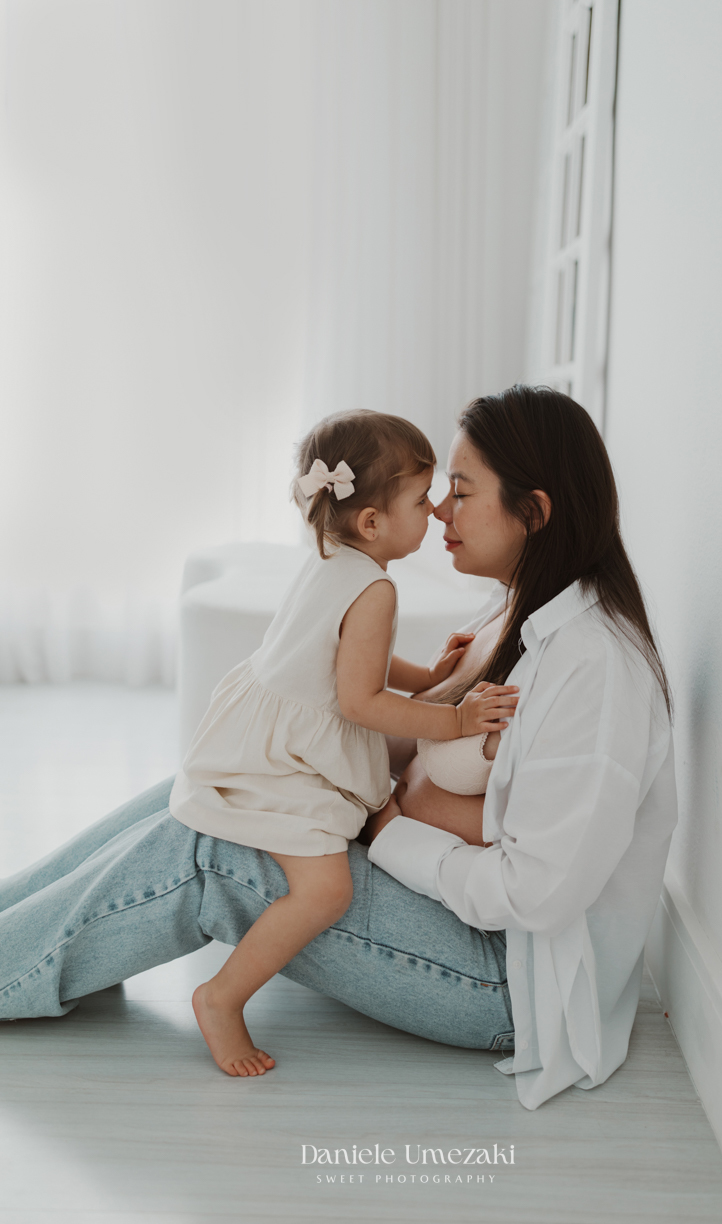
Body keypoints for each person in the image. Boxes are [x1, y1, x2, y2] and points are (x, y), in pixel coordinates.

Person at [0, 385, 677, 1113]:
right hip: (429, 886)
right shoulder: (520, 608)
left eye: (461, 489)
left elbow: (536, 891)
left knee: (215, 849)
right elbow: (401, 727)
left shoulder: (595, 671)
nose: (442, 509)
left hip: (501, 979)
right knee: (210, 796)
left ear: (534, 512)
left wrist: (388, 830)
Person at [169, 409, 519, 1075]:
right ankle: (222, 995)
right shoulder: (376, 588)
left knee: (333, 868)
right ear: (372, 522)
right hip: (284, 763)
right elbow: (360, 699)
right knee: (326, 892)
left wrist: (429, 676)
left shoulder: (333, 560)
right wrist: (456, 720)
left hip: (264, 727)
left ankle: (225, 989)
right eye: (421, 500)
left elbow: (348, 660)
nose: (437, 512)